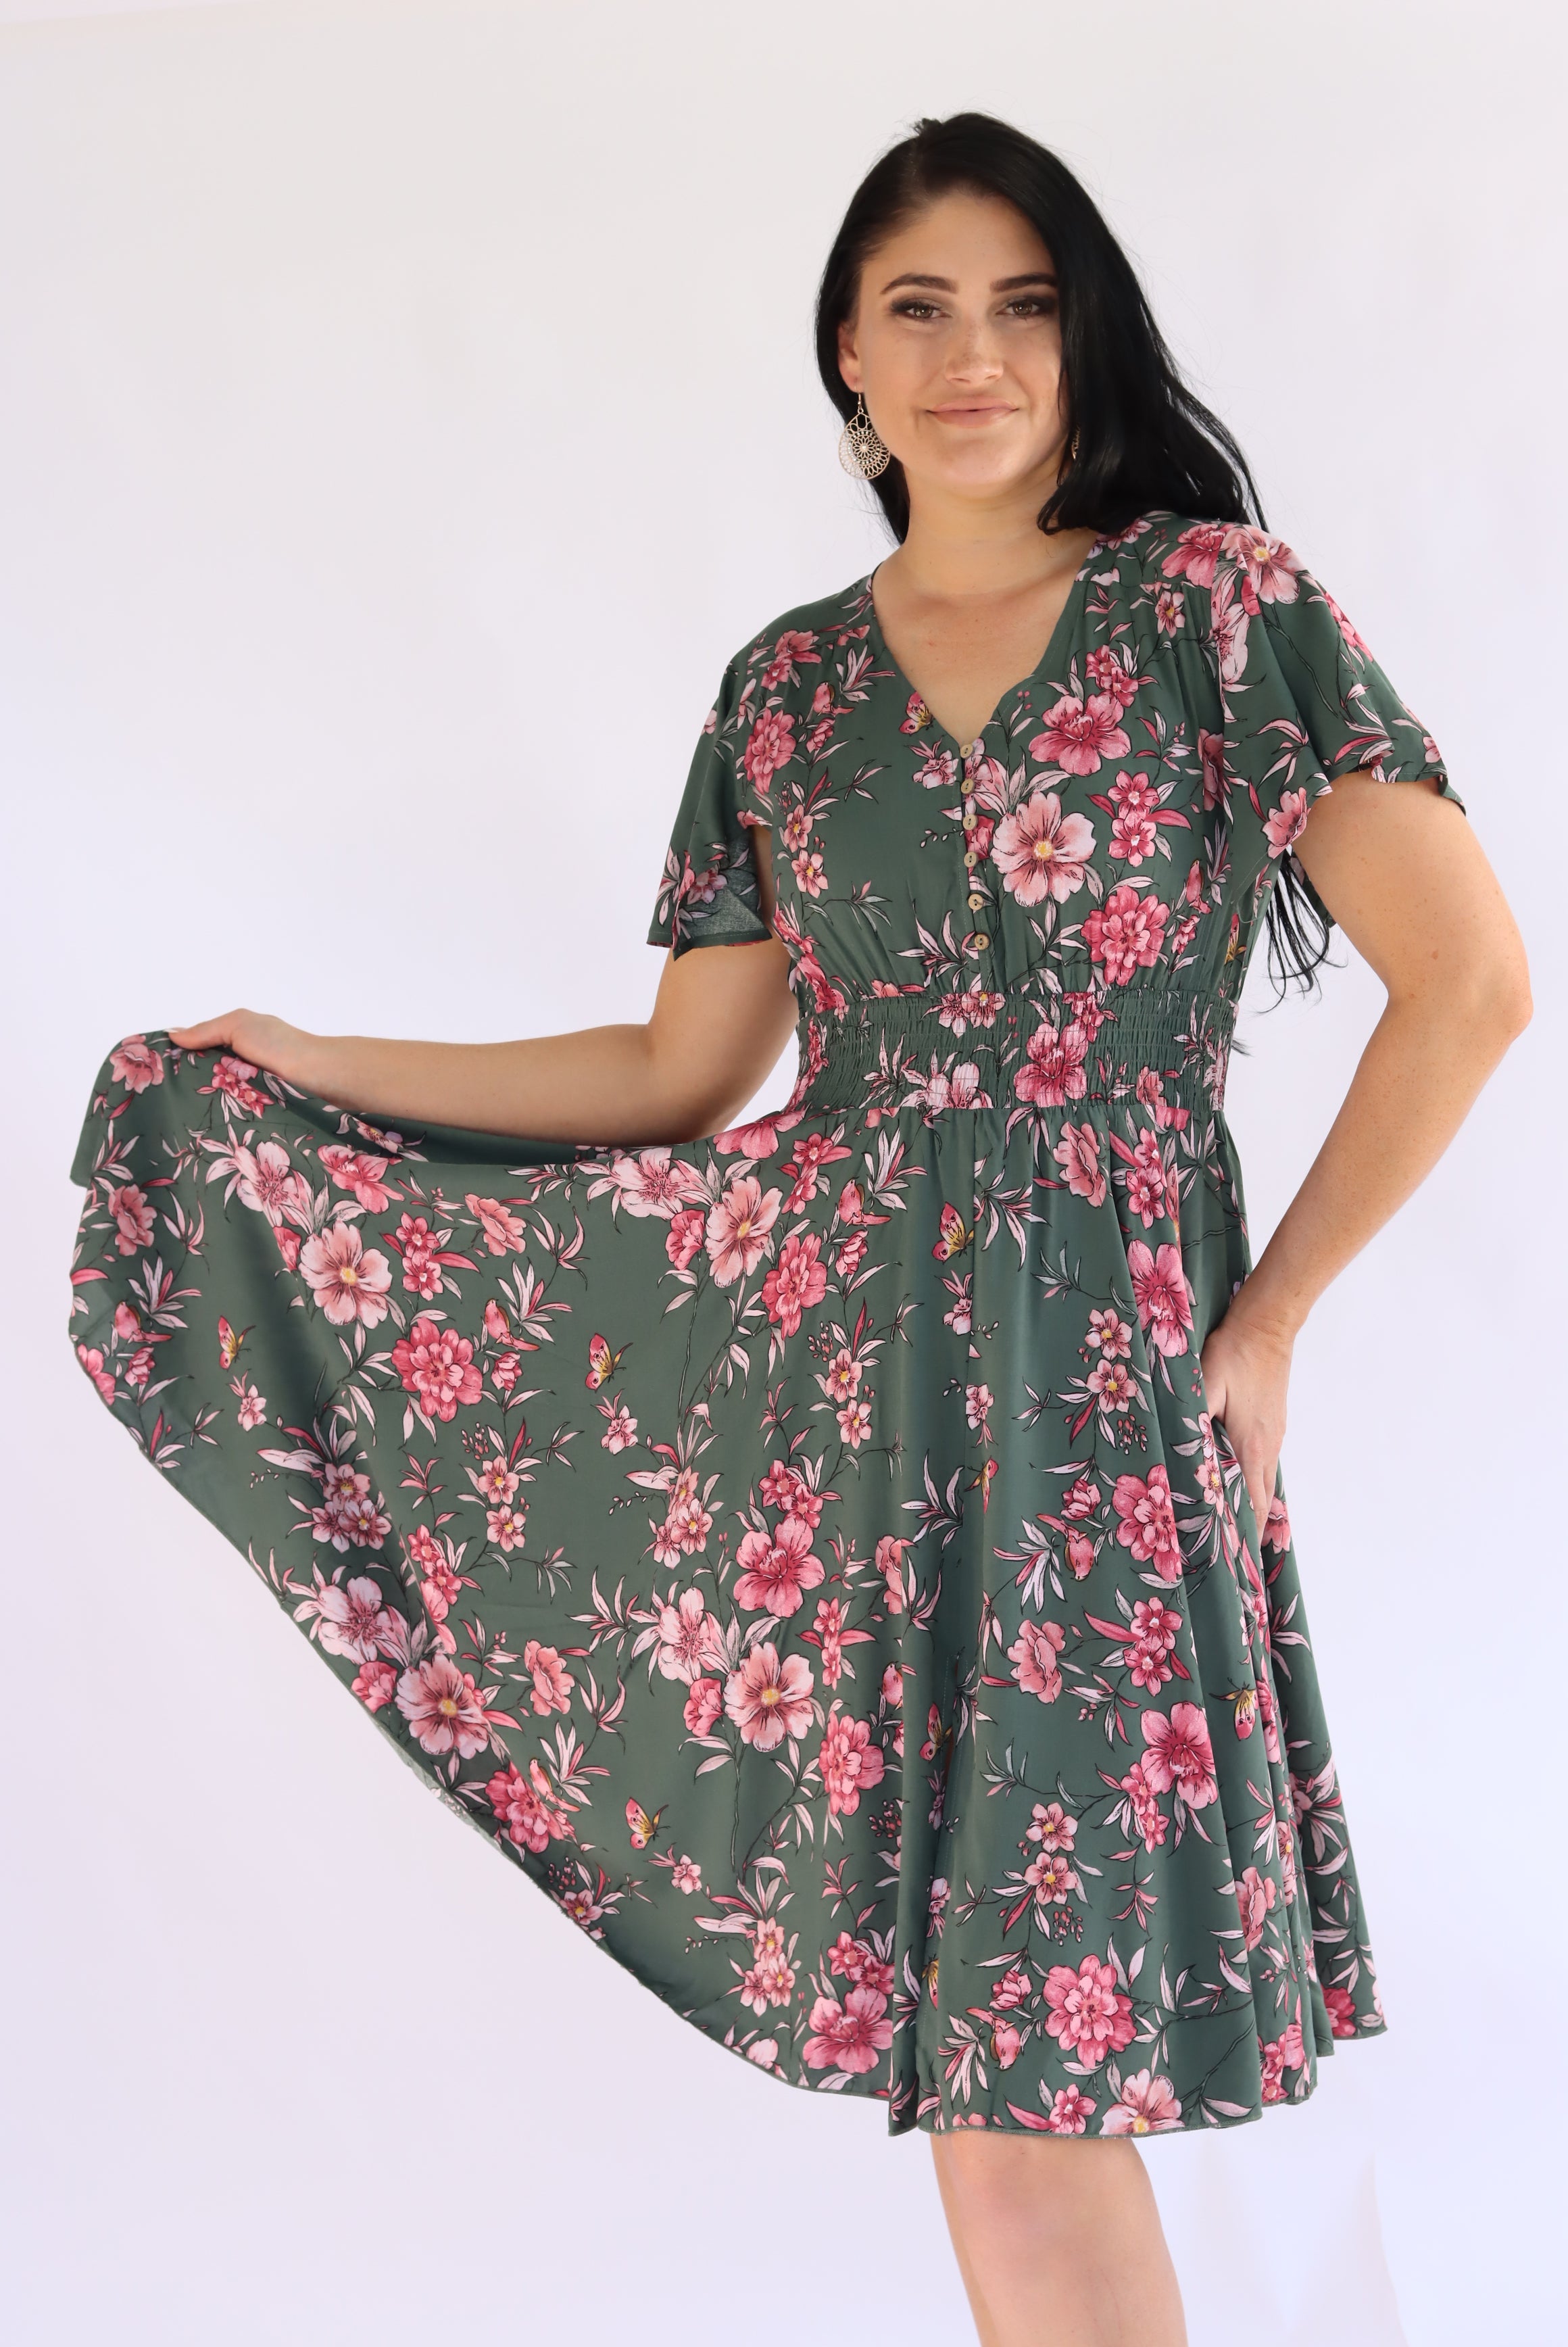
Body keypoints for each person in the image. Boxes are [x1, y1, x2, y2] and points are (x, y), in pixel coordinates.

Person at [67, 112, 1529, 2347]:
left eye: (1025, 305)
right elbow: (682, 1077)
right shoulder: (790, 691)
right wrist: (320, 1062)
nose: (974, 356)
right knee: (996, 2096)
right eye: (919, 308)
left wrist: (1277, 1314)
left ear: (1090, 338)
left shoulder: (1218, 616)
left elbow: (1474, 985)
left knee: (1033, 2090)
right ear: (846, 357)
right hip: (850, 1419)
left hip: (1109, 1409)